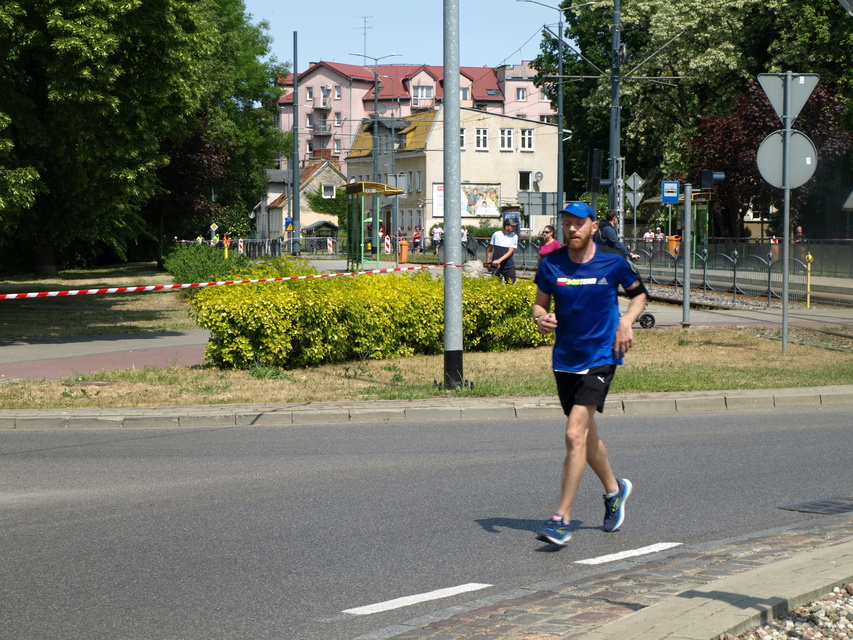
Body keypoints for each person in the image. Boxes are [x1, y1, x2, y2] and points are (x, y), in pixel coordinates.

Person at [531, 201, 648, 546]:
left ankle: (561, 519)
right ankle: (615, 490)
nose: (572, 229)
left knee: (572, 434)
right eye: (566, 223)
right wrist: (541, 319)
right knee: (585, 434)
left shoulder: (613, 263)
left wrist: (626, 321)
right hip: (565, 358)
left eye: (579, 223)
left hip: (602, 356)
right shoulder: (551, 265)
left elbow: (639, 296)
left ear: (593, 226)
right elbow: (540, 305)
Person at [486, 218, 518, 283]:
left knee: (511, 287)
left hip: (508, 267)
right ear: (506, 227)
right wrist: (488, 261)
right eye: (512, 226)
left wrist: (499, 260)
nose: (514, 227)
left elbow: (510, 251)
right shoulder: (496, 234)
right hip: (496, 267)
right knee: (495, 286)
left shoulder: (514, 236)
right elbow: (490, 249)